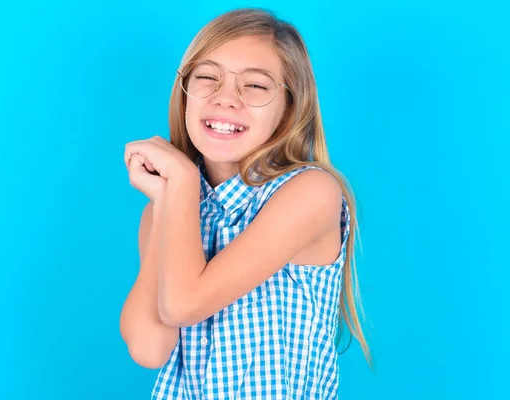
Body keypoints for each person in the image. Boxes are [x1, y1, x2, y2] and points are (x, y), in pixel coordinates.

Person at [119, 7, 371, 399]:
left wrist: (182, 180)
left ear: (289, 107)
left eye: (254, 86)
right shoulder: (165, 208)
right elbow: (150, 348)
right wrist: (169, 201)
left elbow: (185, 305)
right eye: (207, 78)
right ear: (184, 92)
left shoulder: (312, 192)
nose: (225, 98)